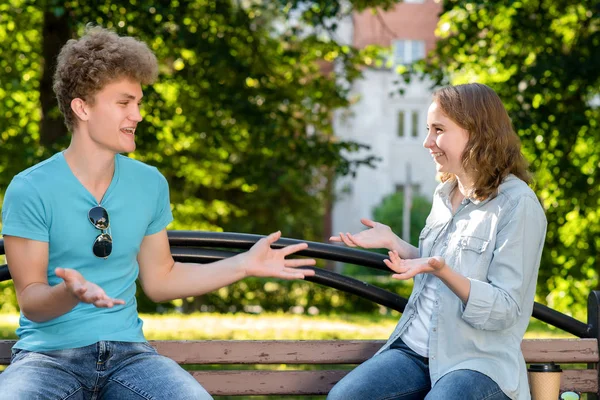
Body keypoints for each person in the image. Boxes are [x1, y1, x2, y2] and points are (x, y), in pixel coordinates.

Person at [0, 26, 316, 400]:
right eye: (124, 103)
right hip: (47, 358)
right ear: (82, 107)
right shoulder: (31, 187)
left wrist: (243, 265)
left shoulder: (149, 184)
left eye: (139, 102)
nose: (138, 114)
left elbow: (161, 279)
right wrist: (72, 293)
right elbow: (33, 301)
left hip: (129, 357)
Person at [327, 83, 547, 400]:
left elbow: (507, 308)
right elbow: (444, 261)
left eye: (438, 130)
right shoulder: (444, 194)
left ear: (476, 131)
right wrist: (396, 243)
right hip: (416, 352)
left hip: (477, 362)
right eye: (428, 130)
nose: (427, 142)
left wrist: (441, 270)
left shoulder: (517, 205)